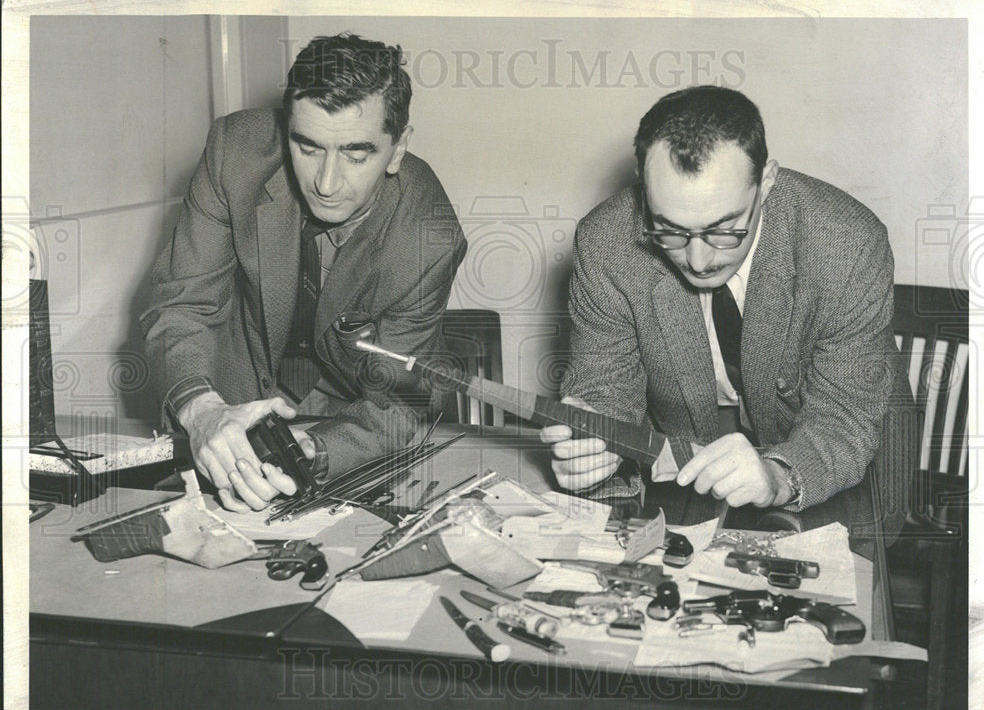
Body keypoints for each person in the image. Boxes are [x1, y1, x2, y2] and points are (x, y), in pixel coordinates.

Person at [542, 85, 914, 544]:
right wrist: (593, 438)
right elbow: (606, 387)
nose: (698, 261)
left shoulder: (848, 243)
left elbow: (844, 418)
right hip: (690, 448)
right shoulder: (605, 243)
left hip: (842, 457)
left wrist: (779, 476)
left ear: (768, 181)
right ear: (642, 183)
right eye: (670, 230)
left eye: (724, 230)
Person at [142, 34, 467, 512]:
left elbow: (397, 405)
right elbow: (181, 304)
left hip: (347, 427)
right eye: (308, 146)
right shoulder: (235, 152)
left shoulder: (429, 236)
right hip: (224, 407)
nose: (327, 183)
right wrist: (203, 409)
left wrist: (309, 451)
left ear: (397, 149)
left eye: (356, 155)